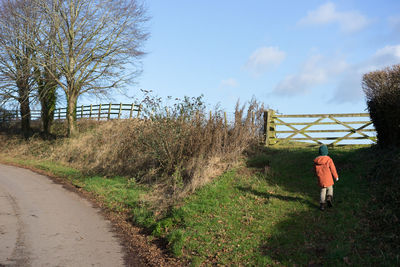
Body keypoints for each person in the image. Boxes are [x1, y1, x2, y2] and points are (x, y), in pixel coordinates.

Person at [314, 144, 339, 211]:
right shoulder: (329, 160)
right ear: (326, 152)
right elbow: (333, 169)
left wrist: (316, 176)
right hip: (328, 178)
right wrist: (336, 177)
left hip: (321, 178)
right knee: (330, 188)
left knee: (322, 191)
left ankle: (322, 205)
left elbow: (314, 170)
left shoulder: (316, 161)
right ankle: (329, 197)